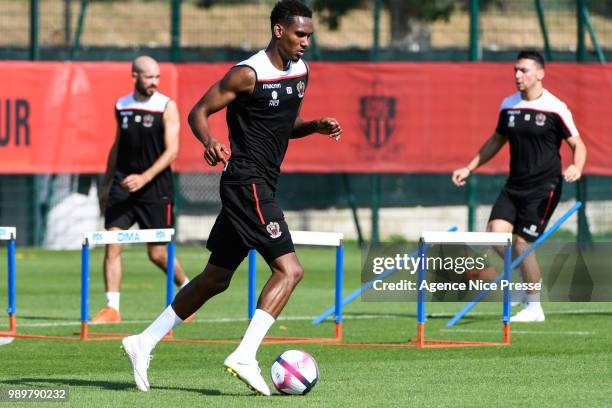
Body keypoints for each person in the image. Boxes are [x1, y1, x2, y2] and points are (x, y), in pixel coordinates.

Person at [121, 1, 342, 396]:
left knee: (216, 278)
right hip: (246, 182)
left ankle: (143, 341)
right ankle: (245, 354)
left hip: (261, 184)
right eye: (299, 34)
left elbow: (282, 124)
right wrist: (209, 140)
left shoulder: (301, 72)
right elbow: (198, 112)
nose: (306, 42)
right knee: (290, 271)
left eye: (309, 35)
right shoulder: (247, 74)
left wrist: (313, 127)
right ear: (278, 30)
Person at [452, 50, 587, 322]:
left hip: (544, 187)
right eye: (515, 70)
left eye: (523, 70)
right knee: (495, 234)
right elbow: (496, 140)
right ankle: (522, 287)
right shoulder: (509, 105)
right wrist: (469, 166)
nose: (517, 75)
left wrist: (577, 166)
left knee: (523, 243)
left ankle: (534, 307)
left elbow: (578, 144)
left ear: (540, 74)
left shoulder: (555, 107)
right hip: (515, 184)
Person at [92, 56, 191, 323]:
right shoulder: (121, 105)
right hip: (123, 186)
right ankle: (112, 308)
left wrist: (144, 178)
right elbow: (117, 147)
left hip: (155, 188)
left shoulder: (166, 106)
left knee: (157, 253)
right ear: (134, 76)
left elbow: (172, 152)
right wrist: (105, 184)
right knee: (112, 244)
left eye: (157, 77)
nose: (154, 82)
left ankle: (188, 291)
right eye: (149, 77)